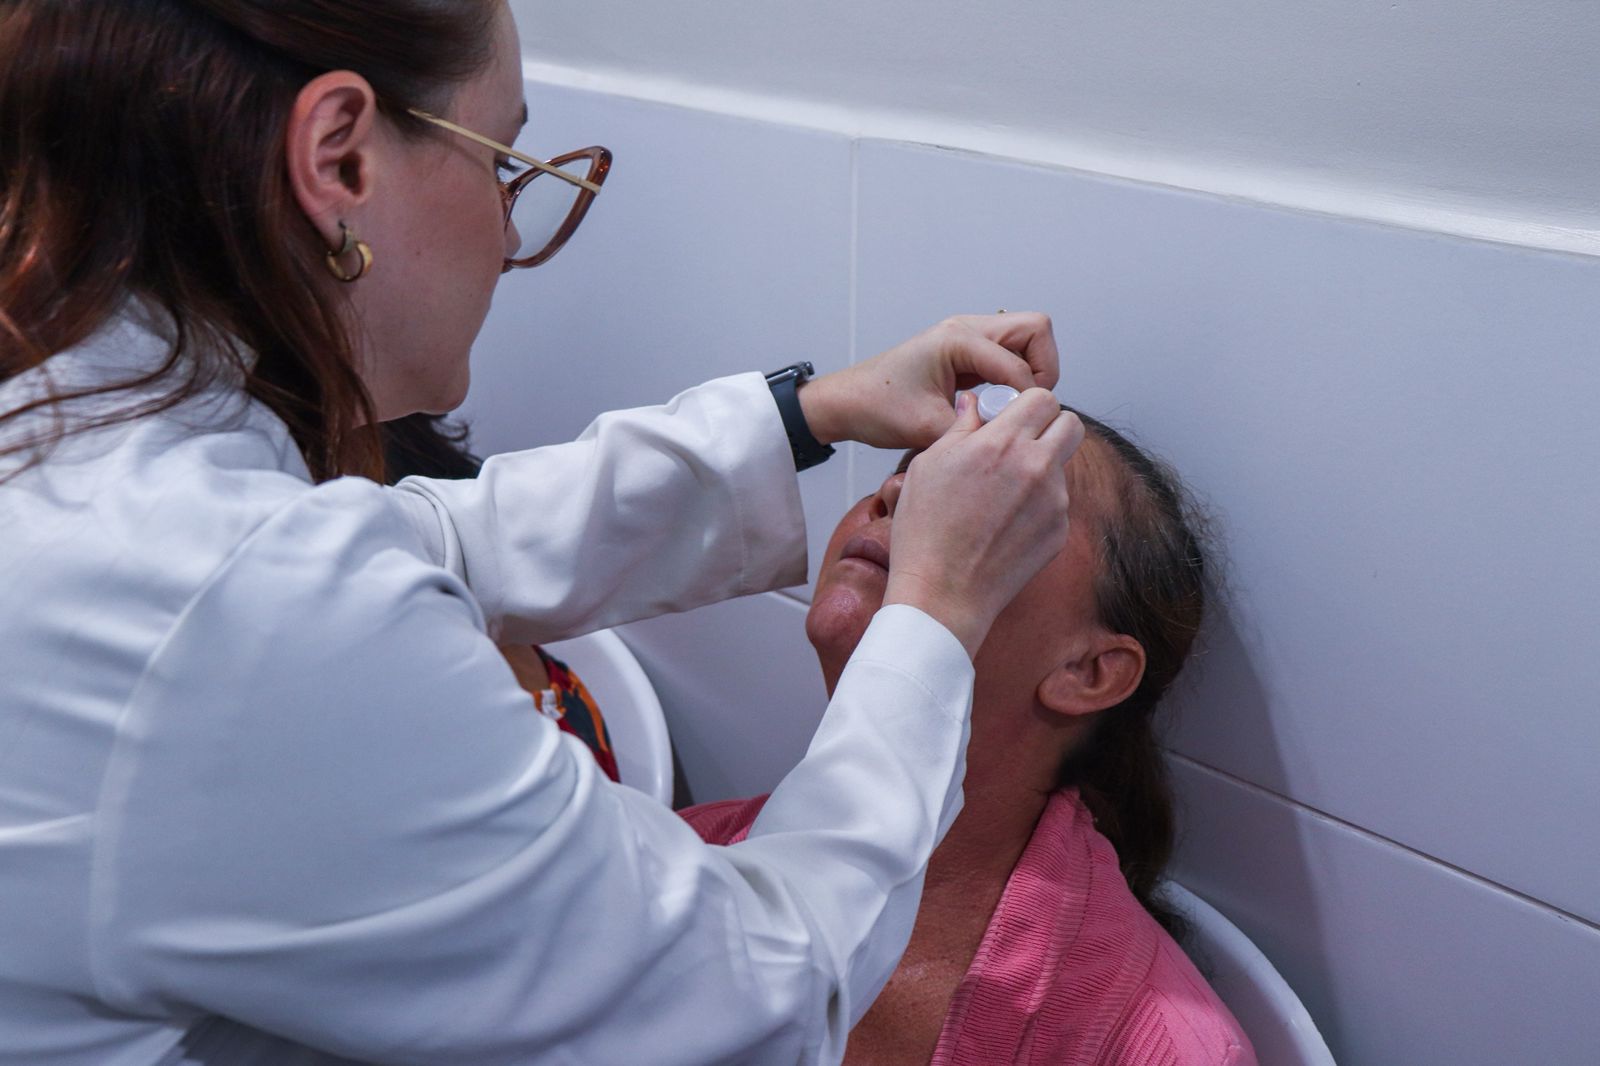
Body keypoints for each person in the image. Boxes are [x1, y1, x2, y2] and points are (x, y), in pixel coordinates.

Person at [0, 2, 1089, 1064]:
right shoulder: (231, 594)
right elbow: (749, 1001)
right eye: (501, 164)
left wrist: (809, 414)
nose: (512, 230)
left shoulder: (84, 417)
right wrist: (936, 616)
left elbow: (425, 535)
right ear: (338, 159)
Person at [682, 413, 1258, 1065]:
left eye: (1007, 504)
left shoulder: (1162, 1048)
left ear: (1088, 671)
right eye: (913, 472)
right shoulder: (669, 860)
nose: (905, 495)